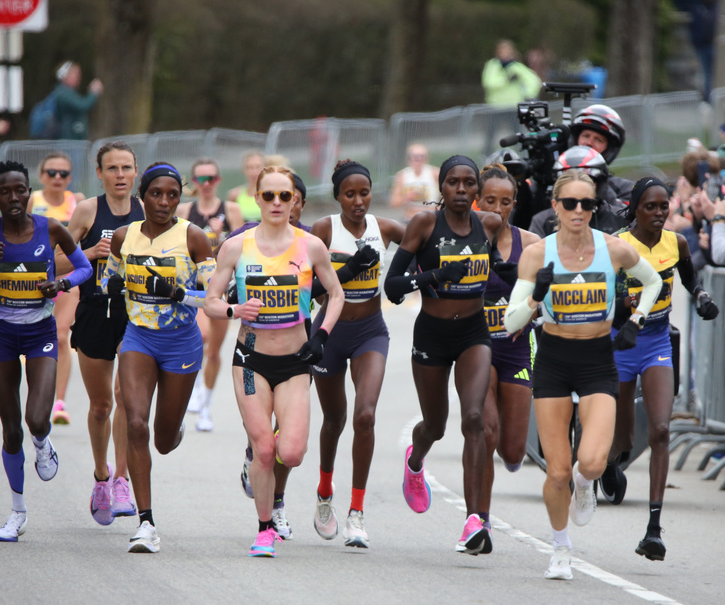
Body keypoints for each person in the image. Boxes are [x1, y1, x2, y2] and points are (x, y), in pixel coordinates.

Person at [503, 169, 662, 580]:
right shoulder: (538, 254)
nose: (578, 211)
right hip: (554, 360)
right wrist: (537, 296)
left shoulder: (613, 249)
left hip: (597, 361)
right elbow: (509, 322)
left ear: (595, 208)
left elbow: (653, 280)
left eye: (587, 204)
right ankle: (560, 548)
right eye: (570, 203)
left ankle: (585, 483)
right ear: (555, 206)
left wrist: (637, 320)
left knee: (591, 462)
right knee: (555, 471)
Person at [205, 166, 344, 558]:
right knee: (266, 450)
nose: (278, 203)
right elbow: (212, 301)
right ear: (257, 196)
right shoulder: (236, 246)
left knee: (293, 452)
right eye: (269, 196)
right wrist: (235, 310)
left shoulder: (310, 246)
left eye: (285, 196)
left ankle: (260, 459)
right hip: (250, 360)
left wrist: (321, 335)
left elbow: (336, 295)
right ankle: (265, 528)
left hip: (296, 362)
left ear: (295, 201)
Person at [0, 160, 92, 541]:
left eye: (20, 190)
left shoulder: (50, 228)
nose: (14, 198)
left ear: (29, 192)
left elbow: (83, 268)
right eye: (6, 192)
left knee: (36, 419)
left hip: (40, 334)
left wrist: (61, 285)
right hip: (1, 336)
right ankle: (17, 512)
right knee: (11, 430)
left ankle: (44, 442)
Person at [384, 155, 508, 555]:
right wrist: (433, 277)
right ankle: (415, 461)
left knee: (474, 419)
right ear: (441, 187)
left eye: (468, 183)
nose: (460, 189)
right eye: (452, 182)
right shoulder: (424, 223)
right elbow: (393, 286)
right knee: (435, 426)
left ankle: (474, 521)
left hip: (473, 333)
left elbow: (500, 271)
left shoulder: (488, 225)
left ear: (477, 191)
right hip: (432, 336)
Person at [604, 178, 719, 562]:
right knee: (622, 438)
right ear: (634, 208)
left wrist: (701, 297)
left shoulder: (677, 242)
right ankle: (608, 465)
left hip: (655, 341)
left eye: (662, 206)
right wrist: (620, 312)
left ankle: (653, 529)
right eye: (649, 207)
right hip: (621, 343)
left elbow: (689, 278)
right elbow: (603, 289)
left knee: (661, 429)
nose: (657, 214)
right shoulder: (617, 244)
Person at [103, 162, 216, 553]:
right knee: (136, 424)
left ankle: (174, 428)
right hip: (138, 338)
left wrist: (178, 294)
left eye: (172, 195)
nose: (164, 202)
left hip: (181, 342)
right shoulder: (124, 236)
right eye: (156, 194)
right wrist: (113, 283)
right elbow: (109, 280)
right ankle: (146, 523)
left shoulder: (194, 238)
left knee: (163, 441)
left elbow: (216, 298)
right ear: (142, 196)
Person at [308, 160, 404, 548]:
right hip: (330, 332)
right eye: (350, 194)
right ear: (337, 197)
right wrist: (346, 274)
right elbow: (310, 291)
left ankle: (357, 513)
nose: (359, 201)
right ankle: (325, 491)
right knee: (334, 419)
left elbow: (424, 240)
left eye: (364, 193)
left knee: (365, 416)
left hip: (370, 331)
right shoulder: (323, 230)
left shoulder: (387, 228)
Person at [62, 141, 144, 527]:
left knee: (127, 400)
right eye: (112, 168)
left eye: (126, 168)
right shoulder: (87, 211)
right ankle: (100, 477)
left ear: (136, 171)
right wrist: (88, 253)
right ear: (99, 173)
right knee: (101, 406)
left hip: (136, 314)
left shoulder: (148, 212)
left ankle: (122, 480)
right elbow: (53, 259)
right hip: (94, 313)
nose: (120, 175)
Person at [475, 163, 540, 520]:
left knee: (513, 454)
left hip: (517, 350)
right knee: (486, 434)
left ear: (514, 204)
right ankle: (479, 520)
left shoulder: (529, 245)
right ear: (476, 201)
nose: (496, 210)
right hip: (477, 349)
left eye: (504, 202)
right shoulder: (465, 241)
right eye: (489, 201)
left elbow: (552, 288)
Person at [176, 158, 244, 432]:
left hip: (221, 288)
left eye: (211, 178)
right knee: (201, 337)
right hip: (195, 288)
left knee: (214, 351)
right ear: (194, 182)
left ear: (218, 180)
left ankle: (206, 406)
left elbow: (241, 246)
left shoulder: (231, 209)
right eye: (201, 179)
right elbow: (179, 248)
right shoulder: (184, 209)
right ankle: (193, 390)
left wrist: (222, 235)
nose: (206, 184)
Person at [28, 151, 86, 426]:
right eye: (52, 173)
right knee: (35, 340)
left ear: (70, 178)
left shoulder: (78, 203)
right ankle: (39, 395)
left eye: (63, 173)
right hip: (34, 280)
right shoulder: (33, 201)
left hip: (68, 278)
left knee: (61, 338)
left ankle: (59, 403)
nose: (57, 178)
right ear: (42, 176)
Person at [568, 104, 634, 202]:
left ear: (609, 150)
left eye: (598, 140)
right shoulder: (553, 179)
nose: (589, 143)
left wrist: (600, 184)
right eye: (586, 136)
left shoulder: (625, 190)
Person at [53, 61, 103, 140]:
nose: (78, 77)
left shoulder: (69, 92)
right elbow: (82, 105)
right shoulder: (63, 93)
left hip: (75, 139)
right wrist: (93, 93)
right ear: (64, 76)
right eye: (75, 74)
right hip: (69, 140)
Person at [481, 40, 542, 105]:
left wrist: (529, 96)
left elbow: (534, 82)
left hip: (514, 106)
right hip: (496, 107)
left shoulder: (517, 66)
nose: (504, 53)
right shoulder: (492, 65)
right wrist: (507, 79)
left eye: (507, 50)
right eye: (501, 50)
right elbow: (488, 83)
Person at [390, 144, 440, 220]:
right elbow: (394, 203)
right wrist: (406, 197)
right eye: (414, 156)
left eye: (421, 156)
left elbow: (448, 196)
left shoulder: (435, 173)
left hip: (433, 218)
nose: (418, 159)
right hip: (410, 219)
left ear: (427, 158)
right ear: (408, 159)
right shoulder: (402, 176)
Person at [227, 151, 265, 223]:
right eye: (249, 168)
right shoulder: (234, 195)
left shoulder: (271, 194)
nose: (254, 172)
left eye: (258, 167)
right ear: (243, 170)